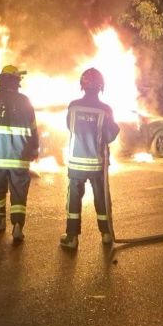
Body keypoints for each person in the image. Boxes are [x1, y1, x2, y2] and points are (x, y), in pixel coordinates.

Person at [0, 65, 39, 243]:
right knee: (19, 192)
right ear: (17, 82)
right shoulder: (26, 101)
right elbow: (34, 130)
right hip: (20, 157)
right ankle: (18, 226)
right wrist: (34, 150)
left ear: (1, 81)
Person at [60, 67, 120, 249]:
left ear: (82, 85)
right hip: (97, 164)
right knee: (101, 197)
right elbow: (109, 136)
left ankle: (72, 238)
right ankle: (106, 234)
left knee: (74, 199)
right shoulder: (105, 109)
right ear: (101, 86)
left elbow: (70, 128)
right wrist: (116, 127)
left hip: (76, 162)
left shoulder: (73, 106)